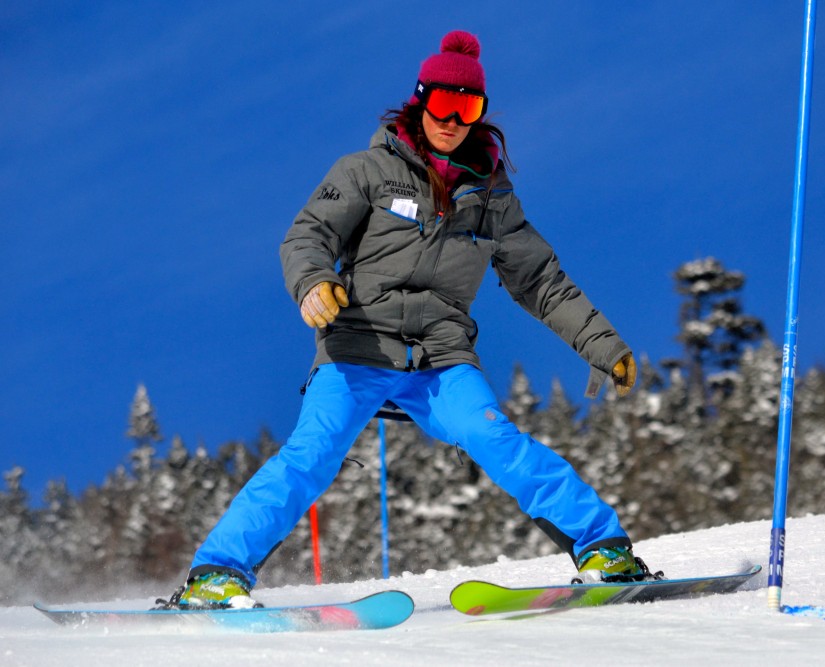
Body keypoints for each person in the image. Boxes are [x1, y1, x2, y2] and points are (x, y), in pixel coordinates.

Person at [166, 30, 657, 609]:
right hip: (358, 345)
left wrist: (603, 345)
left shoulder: (493, 198)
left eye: (467, 107)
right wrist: (313, 284)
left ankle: (604, 549)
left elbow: (540, 280)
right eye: (442, 104)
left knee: (490, 434)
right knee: (313, 450)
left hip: (440, 355)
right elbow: (308, 235)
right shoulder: (367, 171)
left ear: (479, 113)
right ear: (421, 101)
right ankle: (217, 574)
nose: (451, 119)